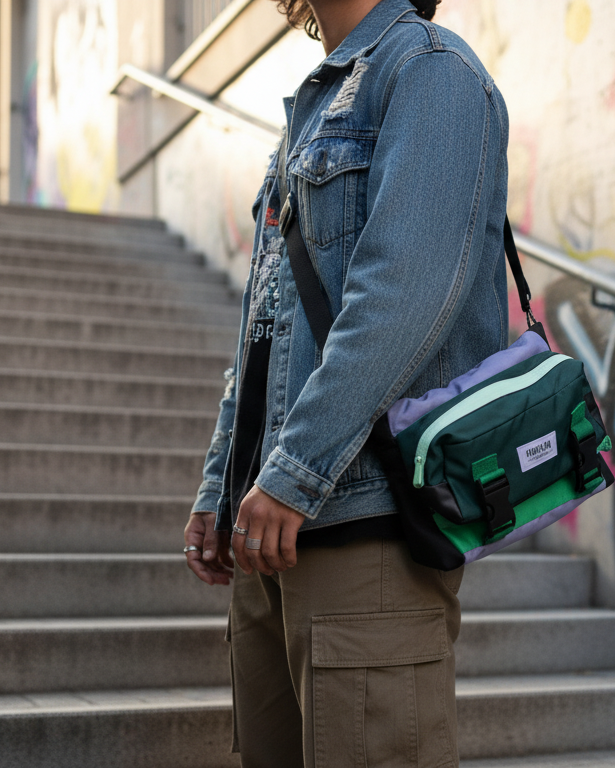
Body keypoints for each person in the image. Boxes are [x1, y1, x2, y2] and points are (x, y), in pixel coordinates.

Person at [182, 0, 510, 765]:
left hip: (367, 522)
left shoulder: (431, 71)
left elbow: (406, 293)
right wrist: (221, 485)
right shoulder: (318, 102)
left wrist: (294, 474)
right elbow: (265, 323)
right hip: (274, 527)